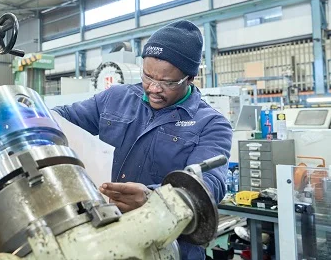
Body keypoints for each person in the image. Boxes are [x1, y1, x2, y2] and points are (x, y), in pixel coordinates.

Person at [52, 20, 233, 259]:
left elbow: (210, 184)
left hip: (168, 247)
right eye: (148, 76)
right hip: (104, 237)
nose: (154, 88)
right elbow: (60, 119)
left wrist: (154, 198)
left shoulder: (211, 123)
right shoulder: (115, 98)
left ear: (190, 77)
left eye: (167, 83)